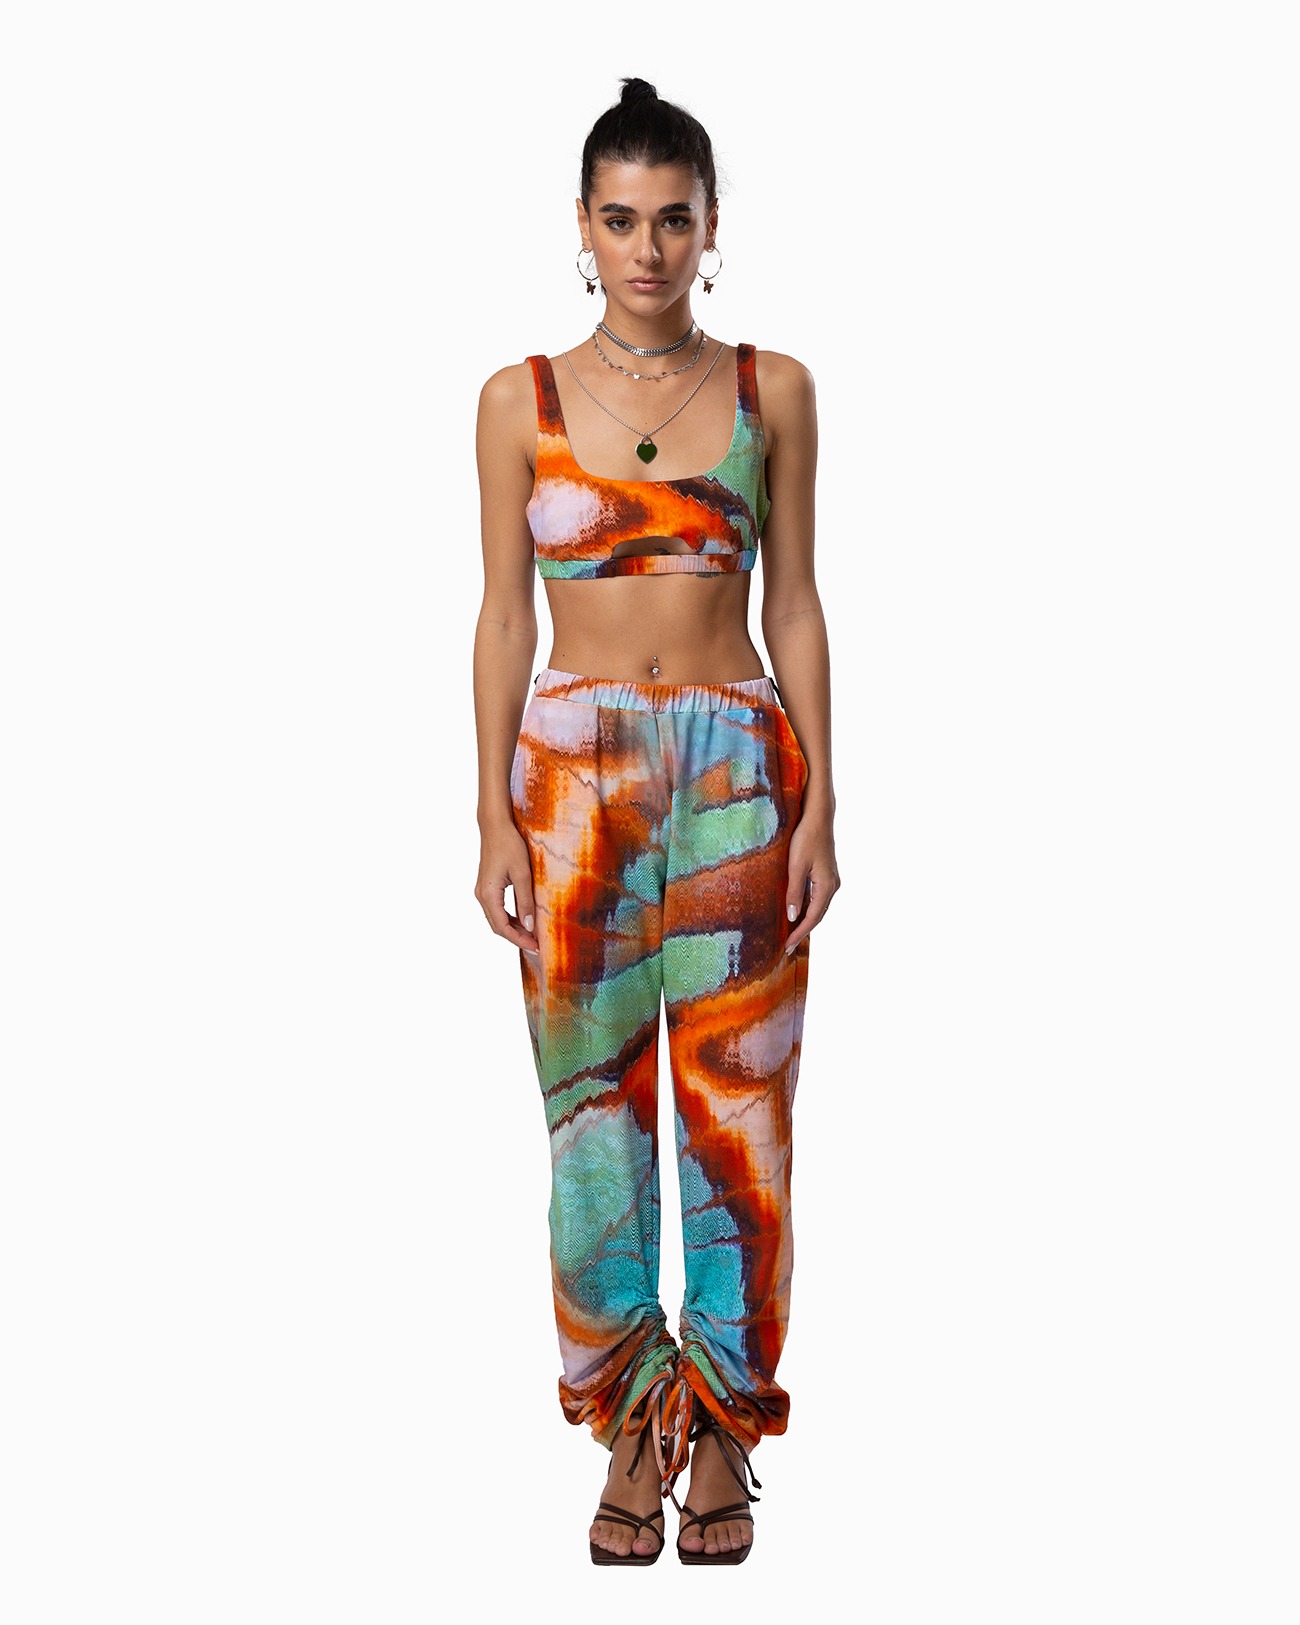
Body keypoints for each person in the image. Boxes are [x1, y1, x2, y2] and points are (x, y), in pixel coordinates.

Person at [473, 77, 839, 1566]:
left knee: (740, 1117)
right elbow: (506, 615)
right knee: (592, 1119)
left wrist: (823, 796)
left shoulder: (773, 389)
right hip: (571, 777)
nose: (647, 248)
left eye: (672, 220)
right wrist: (490, 812)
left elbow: (795, 601)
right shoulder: (519, 400)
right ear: (583, 226)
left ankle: (728, 1431)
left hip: (738, 767)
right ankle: (633, 1418)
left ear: (709, 226)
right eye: (620, 220)